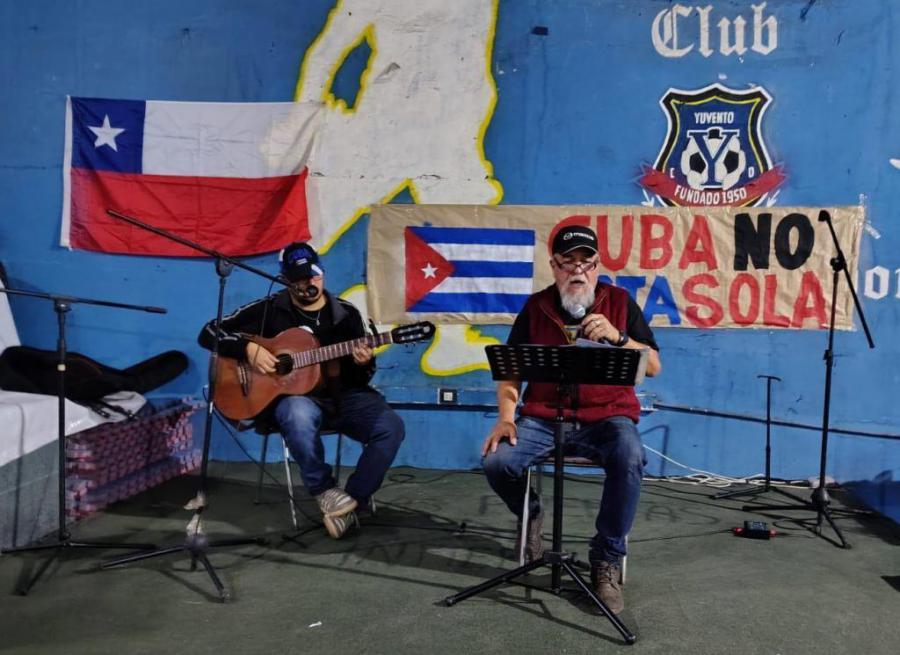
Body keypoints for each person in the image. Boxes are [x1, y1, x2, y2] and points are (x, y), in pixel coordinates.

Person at [481, 225, 662, 614]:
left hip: (608, 418)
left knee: (630, 457)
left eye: (586, 262)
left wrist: (618, 338)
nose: (577, 270)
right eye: (568, 262)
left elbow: (654, 366)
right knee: (497, 461)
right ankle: (531, 514)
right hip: (544, 418)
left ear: (597, 266)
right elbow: (510, 370)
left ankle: (606, 558)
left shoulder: (620, 302)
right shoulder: (535, 307)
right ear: (554, 266)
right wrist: (506, 418)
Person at [197, 242, 405, 539]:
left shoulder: (346, 314)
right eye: (300, 279)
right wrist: (249, 349)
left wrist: (363, 362)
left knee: (391, 427)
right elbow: (208, 332)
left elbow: (362, 377)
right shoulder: (268, 309)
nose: (309, 283)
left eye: (314, 275)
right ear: (286, 280)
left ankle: (351, 503)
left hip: (344, 396)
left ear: (322, 272)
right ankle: (325, 491)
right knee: (297, 412)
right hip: (295, 401)